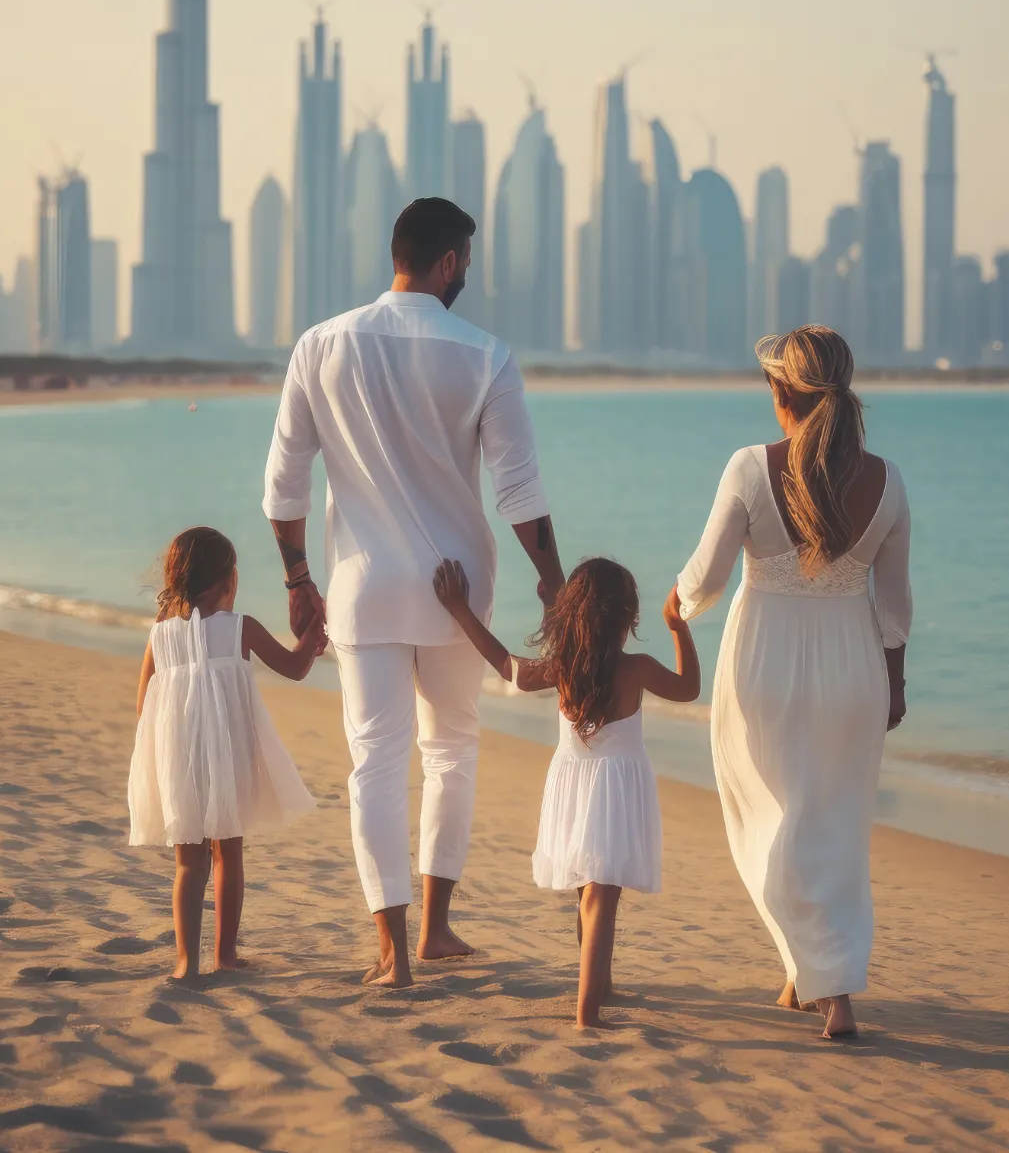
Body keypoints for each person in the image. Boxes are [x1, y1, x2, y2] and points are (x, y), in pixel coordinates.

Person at [262, 197, 566, 989]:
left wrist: (298, 579)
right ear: (450, 263)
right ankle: (435, 927)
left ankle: (392, 951)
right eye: (466, 259)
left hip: (362, 589)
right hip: (456, 591)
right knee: (451, 751)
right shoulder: (485, 354)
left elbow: (284, 485)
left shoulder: (320, 344)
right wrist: (555, 583)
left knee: (374, 764)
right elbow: (520, 492)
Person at [672, 325, 912, 1041]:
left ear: (781, 392)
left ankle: (833, 991)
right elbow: (894, 604)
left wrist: (676, 604)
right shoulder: (888, 479)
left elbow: (706, 576)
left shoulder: (751, 466)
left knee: (769, 816)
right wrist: (895, 683)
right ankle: (802, 973)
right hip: (854, 664)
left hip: (765, 661)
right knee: (832, 827)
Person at [433, 557, 698, 1029]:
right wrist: (677, 624)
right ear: (630, 618)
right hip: (615, 788)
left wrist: (460, 609)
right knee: (601, 897)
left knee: (587, 892)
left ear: (571, 618)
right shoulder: (636, 668)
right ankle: (587, 1013)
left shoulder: (564, 668)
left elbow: (507, 667)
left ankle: (600, 985)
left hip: (574, 784)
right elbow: (690, 688)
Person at [128, 526, 322, 981]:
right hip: (227, 752)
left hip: (177, 754)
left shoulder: (160, 636)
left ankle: (184, 962)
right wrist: (316, 630)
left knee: (188, 862)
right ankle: (225, 957)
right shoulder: (240, 628)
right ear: (227, 582)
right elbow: (294, 668)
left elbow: (144, 705)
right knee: (227, 853)